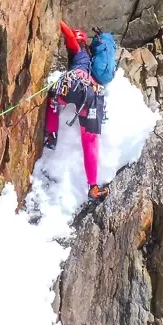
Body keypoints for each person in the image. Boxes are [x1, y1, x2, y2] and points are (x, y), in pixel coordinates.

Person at [43, 20, 117, 202]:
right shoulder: (92, 63)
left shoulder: (78, 52)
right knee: (90, 141)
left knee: (54, 96)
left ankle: (52, 136)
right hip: (92, 96)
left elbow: (69, 37)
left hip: (75, 86)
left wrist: (58, 21)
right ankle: (92, 187)